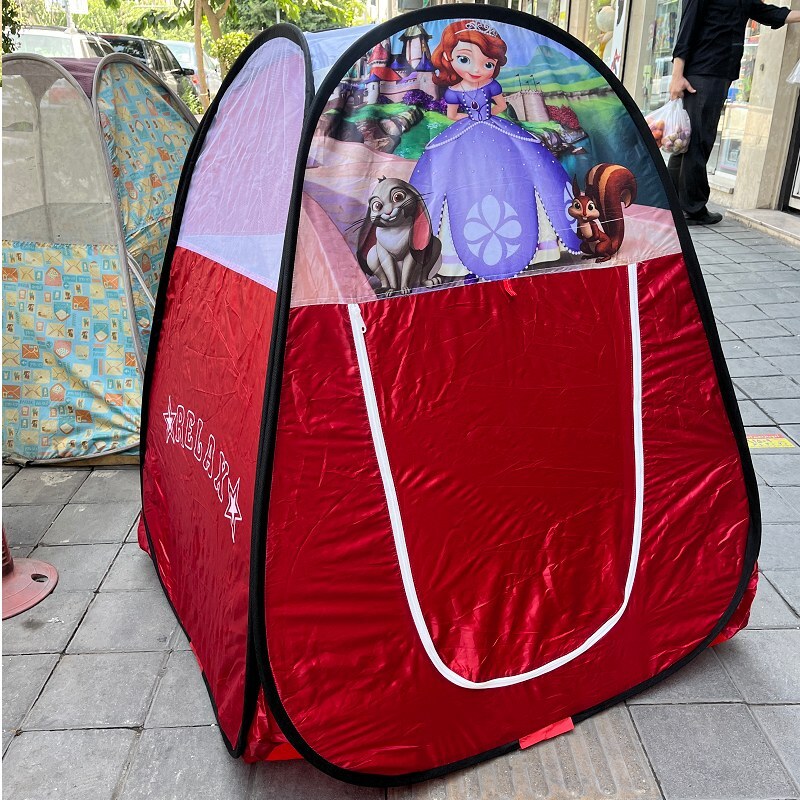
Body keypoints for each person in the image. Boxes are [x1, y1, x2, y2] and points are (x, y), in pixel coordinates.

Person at [409, 19, 582, 280]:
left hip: (494, 128)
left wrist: (482, 115)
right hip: (468, 132)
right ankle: (455, 257)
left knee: (521, 169)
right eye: (465, 59)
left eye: (487, 64)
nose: (477, 69)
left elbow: (500, 106)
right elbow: (452, 115)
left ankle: (539, 245)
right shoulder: (454, 91)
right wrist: (473, 119)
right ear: (449, 59)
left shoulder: (491, 86)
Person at [668, 0, 800, 225]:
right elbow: (687, 26)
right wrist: (676, 75)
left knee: (688, 142)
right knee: (698, 142)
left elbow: (768, 13)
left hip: (719, 73)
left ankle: (671, 202)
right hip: (703, 72)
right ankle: (692, 208)